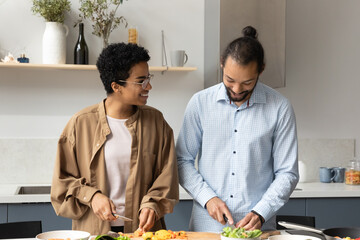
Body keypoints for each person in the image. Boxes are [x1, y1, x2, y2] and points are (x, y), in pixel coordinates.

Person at [176, 26, 299, 232]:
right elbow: (182, 160)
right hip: (207, 226)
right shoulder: (200, 103)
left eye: (247, 83)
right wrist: (208, 198)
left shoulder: (280, 108)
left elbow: (287, 172)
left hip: (258, 229)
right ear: (222, 63)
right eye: (230, 80)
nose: (236, 90)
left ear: (261, 70)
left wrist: (261, 211)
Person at [51, 43, 179, 235]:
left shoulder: (156, 122)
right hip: (93, 231)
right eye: (141, 81)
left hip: (143, 232)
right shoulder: (80, 123)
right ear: (116, 86)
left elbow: (167, 176)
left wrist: (152, 204)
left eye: (148, 78)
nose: (149, 86)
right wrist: (92, 196)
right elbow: (62, 183)